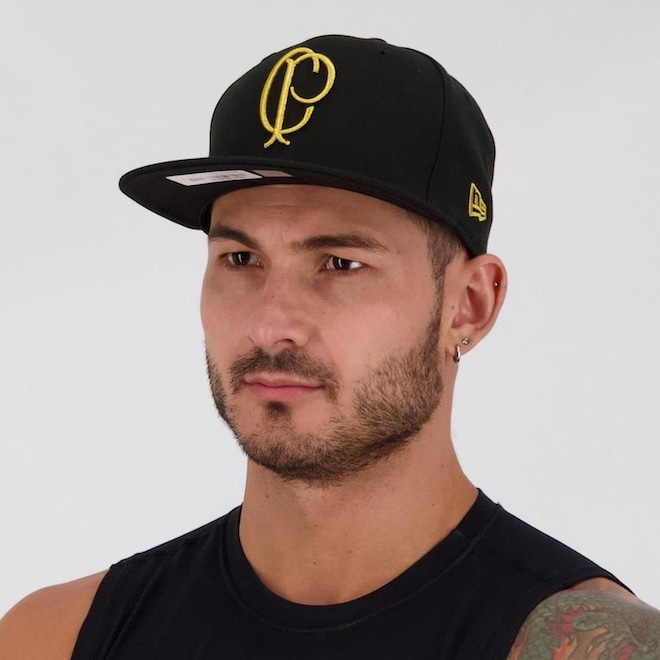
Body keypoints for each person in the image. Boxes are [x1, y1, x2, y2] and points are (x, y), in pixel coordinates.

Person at [1, 34, 658, 659]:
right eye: (240, 258)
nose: (268, 326)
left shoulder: (588, 646)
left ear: (469, 305)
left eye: (341, 263)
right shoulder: (53, 640)